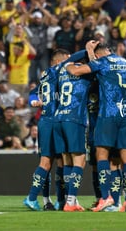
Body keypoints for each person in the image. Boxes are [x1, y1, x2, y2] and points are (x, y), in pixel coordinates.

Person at [66, 41, 126, 212]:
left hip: (109, 114)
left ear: (98, 54)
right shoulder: (125, 63)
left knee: (102, 155)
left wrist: (68, 63)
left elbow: (76, 70)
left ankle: (105, 197)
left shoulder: (101, 63)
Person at [23, 48, 86, 211]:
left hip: (50, 120)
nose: (70, 62)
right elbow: (32, 93)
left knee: (60, 160)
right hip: (54, 120)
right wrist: (89, 48)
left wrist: (33, 101)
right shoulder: (59, 69)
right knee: (49, 162)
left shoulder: (48, 75)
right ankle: (34, 198)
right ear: (59, 61)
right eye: (67, 59)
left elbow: (32, 92)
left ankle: (61, 200)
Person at [54, 50, 93, 212]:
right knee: (80, 160)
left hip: (58, 118)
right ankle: (70, 201)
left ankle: (71, 199)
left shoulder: (61, 70)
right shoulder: (85, 71)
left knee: (67, 160)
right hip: (74, 118)